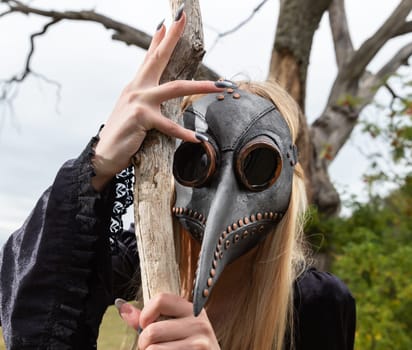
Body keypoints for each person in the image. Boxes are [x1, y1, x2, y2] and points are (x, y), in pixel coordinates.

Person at [0, 5, 356, 350]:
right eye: (197, 159)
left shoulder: (315, 304)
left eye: (259, 166)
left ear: (287, 174)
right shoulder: (134, 261)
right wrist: (100, 160)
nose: (223, 195)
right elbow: (30, 314)